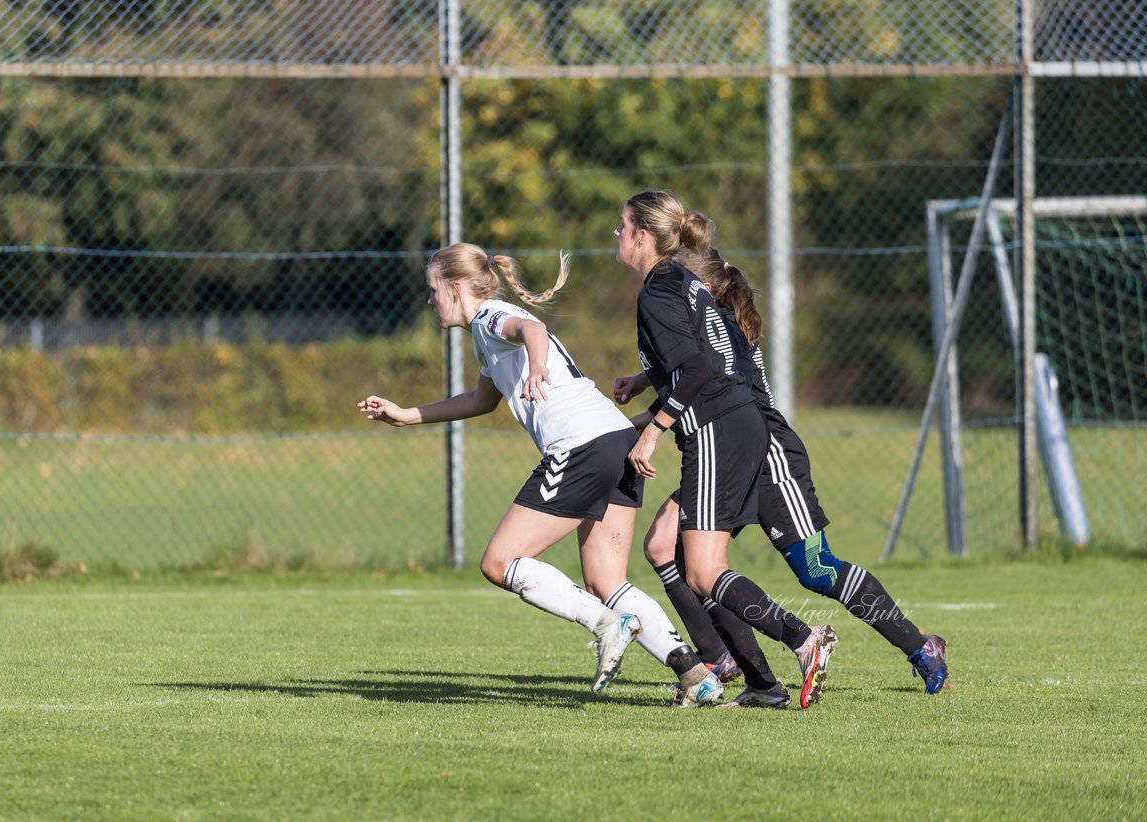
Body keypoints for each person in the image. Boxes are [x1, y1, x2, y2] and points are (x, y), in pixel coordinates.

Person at [358, 242, 724, 707]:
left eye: (433, 290)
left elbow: (533, 328)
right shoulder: (485, 329)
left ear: (455, 287)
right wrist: (407, 415)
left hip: (581, 446)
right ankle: (695, 675)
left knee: (498, 562)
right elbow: (480, 401)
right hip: (615, 439)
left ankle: (608, 625)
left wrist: (536, 367)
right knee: (605, 583)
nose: (430, 300)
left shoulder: (491, 316)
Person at [618, 244, 949, 695]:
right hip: (726, 446)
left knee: (816, 569)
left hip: (769, 456)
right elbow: (684, 379)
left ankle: (920, 646)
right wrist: (638, 391)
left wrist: (645, 421)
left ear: (706, 288)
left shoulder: (719, 325)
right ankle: (739, 668)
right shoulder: (702, 321)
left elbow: (705, 382)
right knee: (666, 546)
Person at [614, 190, 837, 709]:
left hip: (717, 426)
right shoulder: (685, 282)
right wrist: (648, 381)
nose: (617, 236)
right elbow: (713, 355)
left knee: (703, 571)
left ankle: (804, 641)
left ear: (643, 237)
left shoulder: (658, 291)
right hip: (733, 420)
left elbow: (697, 370)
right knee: (665, 545)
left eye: (622, 227)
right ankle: (763, 685)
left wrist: (652, 429)